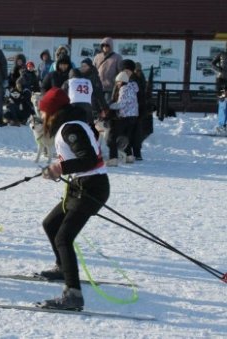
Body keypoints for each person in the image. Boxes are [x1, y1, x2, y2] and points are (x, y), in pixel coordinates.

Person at [36, 87, 109, 310]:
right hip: (81, 185)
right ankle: (62, 267)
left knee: (63, 238)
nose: (41, 117)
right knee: (50, 224)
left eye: (42, 112)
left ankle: (73, 295)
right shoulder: (71, 124)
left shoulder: (70, 128)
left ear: (52, 112)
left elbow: (88, 160)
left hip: (91, 187)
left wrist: (59, 168)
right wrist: (61, 169)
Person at [106, 71, 139, 166]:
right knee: (125, 136)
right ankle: (129, 156)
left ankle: (113, 158)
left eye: (117, 82)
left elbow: (121, 104)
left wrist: (109, 106)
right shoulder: (132, 88)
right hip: (133, 117)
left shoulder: (124, 89)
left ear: (122, 81)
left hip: (124, 117)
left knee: (112, 136)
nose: (116, 84)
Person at [93, 37, 123, 102]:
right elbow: (93, 70)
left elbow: (120, 72)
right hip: (98, 86)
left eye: (107, 45)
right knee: (98, 107)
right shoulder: (97, 57)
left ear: (111, 46)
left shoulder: (117, 57)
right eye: (103, 45)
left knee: (107, 106)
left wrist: (118, 84)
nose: (105, 47)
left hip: (110, 87)